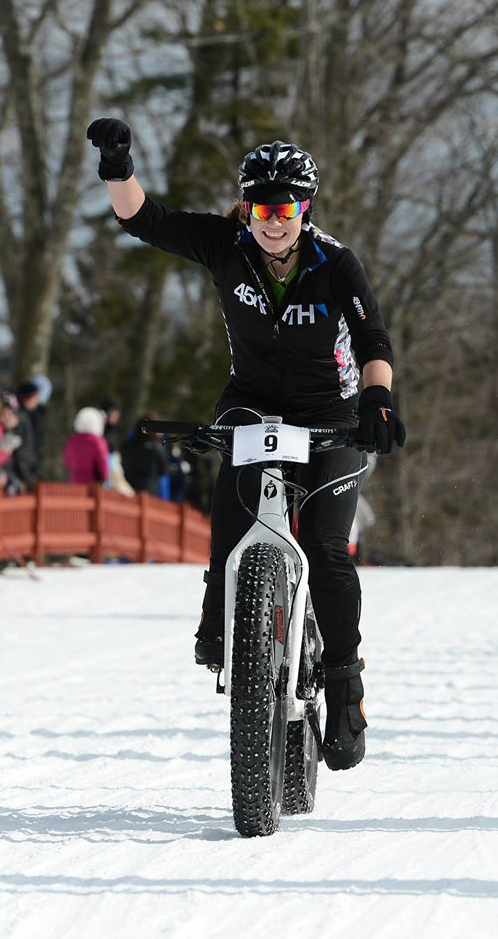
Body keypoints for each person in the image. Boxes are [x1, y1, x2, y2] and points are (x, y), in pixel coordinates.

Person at [87, 121, 406, 771]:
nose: (272, 221)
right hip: (252, 398)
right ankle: (219, 605)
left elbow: (374, 342)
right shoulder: (225, 245)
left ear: (303, 209)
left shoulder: (335, 262)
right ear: (246, 206)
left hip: (332, 412)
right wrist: (118, 165)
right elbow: (144, 219)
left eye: (285, 209)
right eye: (261, 207)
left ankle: (344, 679)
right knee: (233, 465)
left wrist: (377, 401)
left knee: (324, 547)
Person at [120, 415, 169, 496]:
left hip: (128, 487)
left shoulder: (128, 444)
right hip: (149, 490)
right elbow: (163, 470)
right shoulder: (157, 448)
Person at [62, 407, 110, 485]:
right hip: (92, 486)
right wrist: (105, 479)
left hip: (74, 484)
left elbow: (66, 461)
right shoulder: (99, 442)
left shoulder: (72, 441)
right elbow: (103, 464)